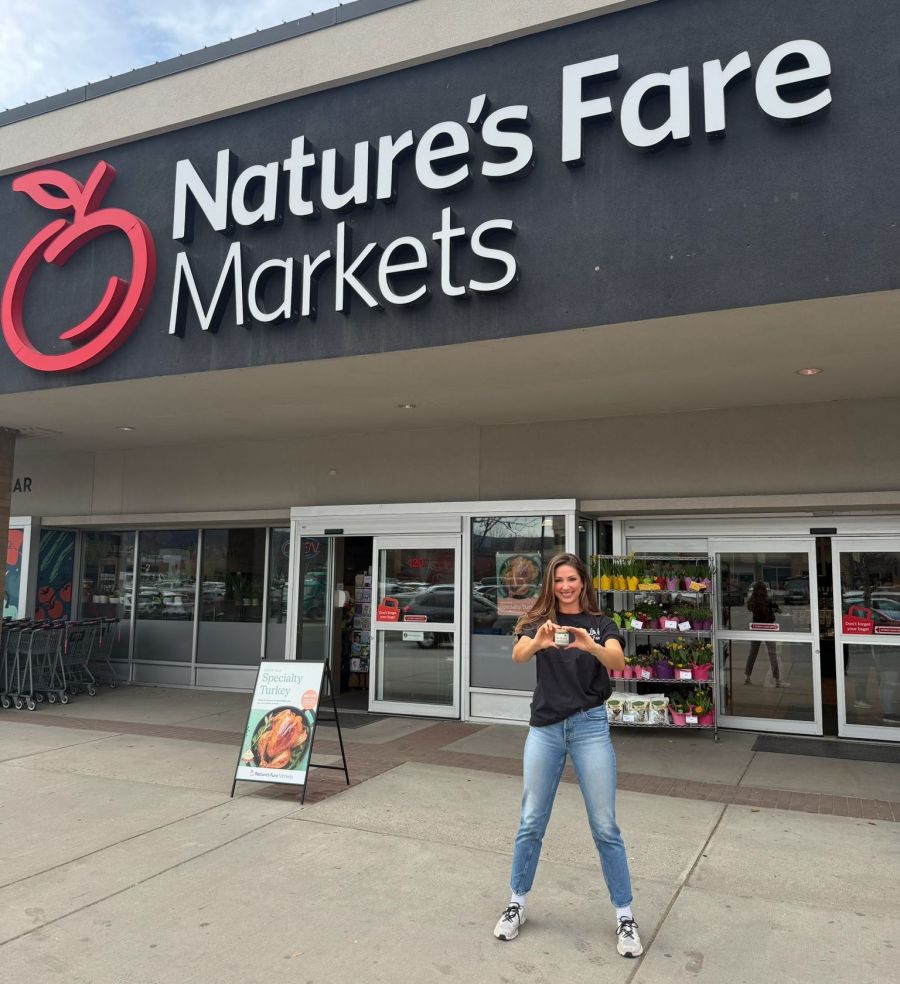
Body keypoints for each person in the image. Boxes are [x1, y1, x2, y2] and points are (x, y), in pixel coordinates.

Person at [492, 552, 642, 959]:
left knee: (605, 825)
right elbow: (519, 655)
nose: (565, 586)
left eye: (571, 579)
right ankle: (517, 903)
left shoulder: (602, 623)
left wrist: (591, 644)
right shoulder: (538, 621)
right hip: (545, 729)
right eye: (559, 580)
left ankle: (625, 915)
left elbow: (618, 659)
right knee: (531, 821)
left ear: (583, 582)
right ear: (551, 585)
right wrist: (538, 640)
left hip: (590, 727)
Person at [744, 582, 781, 685]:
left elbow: (749, 608)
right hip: (768, 627)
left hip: (757, 627)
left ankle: (747, 676)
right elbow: (779, 610)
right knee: (772, 653)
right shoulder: (768, 601)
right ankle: (777, 679)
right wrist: (774, 610)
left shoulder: (753, 601)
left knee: (753, 653)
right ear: (765, 590)